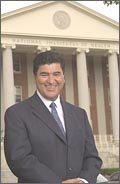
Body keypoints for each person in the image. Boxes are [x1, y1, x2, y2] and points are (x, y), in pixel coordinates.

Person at [4, 51, 102, 183]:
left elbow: (92, 157)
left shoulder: (79, 114)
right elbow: (20, 159)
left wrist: (84, 180)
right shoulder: (17, 113)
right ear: (35, 77)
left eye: (56, 74)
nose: (51, 81)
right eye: (44, 75)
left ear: (63, 77)